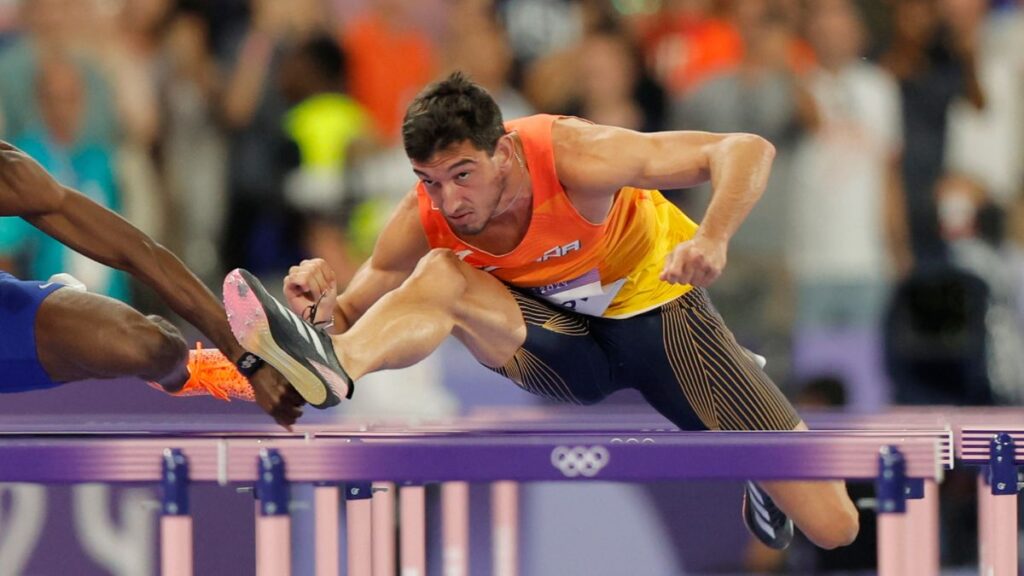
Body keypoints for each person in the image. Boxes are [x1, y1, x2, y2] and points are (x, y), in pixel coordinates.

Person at [223, 72, 859, 550]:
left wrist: (712, 237)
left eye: (463, 175)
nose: (448, 200)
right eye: (429, 179)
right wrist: (325, 311)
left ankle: (754, 470)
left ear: (503, 151)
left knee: (833, 527)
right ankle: (336, 371)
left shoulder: (576, 153)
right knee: (439, 273)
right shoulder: (426, 214)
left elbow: (745, 149)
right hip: (558, 349)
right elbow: (360, 308)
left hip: (662, 321)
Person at [0, 140, 304, 428]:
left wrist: (244, 356)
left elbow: (136, 251)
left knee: (145, 344)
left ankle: (189, 368)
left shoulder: (9, 175)